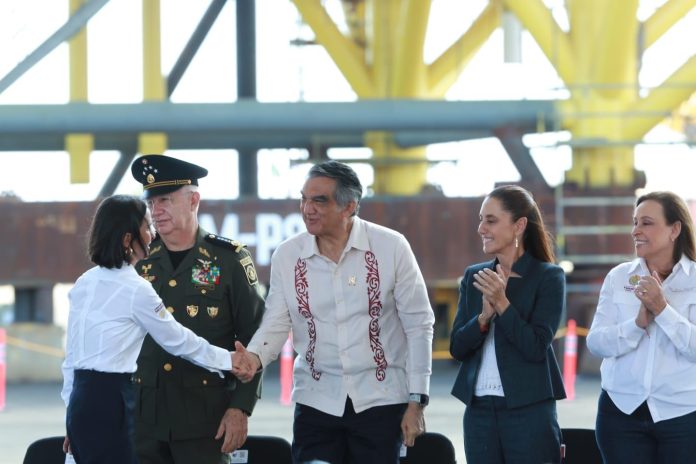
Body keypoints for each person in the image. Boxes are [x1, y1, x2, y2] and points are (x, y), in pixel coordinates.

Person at [232, 160, 435, 464]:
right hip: (316, 401)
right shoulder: (288, 255)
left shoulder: (391, 247)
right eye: (304, 199)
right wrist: (254, 357)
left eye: (320, 200)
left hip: (381, 400)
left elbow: (419, 325)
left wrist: (417, 401)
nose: (307, 209)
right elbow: (276, 322)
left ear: (349, 206)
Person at [61, 195, 238, 464]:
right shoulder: (136, 289)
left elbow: (71, 358)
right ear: (127, 239)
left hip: (81, 400)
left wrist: (71, 415)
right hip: (112, 399)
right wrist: (229, 360)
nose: (153, 233)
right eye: (146, 226)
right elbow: (178, 340)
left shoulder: (84, 282)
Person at [129, 154, 265, 463]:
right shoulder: (138, 261)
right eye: (151, 203)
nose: (156, 211)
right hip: (143, 419)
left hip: (205, 420)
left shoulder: (229, 259)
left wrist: (241, 407)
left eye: (165, 200)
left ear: (194, 200)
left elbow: (255, 336)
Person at [449, 185, 566, 464]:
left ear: (519, 226)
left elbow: (535, 347)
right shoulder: (474, 276)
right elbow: (457, 348)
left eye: (491, 220)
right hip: (478, 411)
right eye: (481, 220)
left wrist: (502, 304)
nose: (481, 228)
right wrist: (482, 318)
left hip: (529, 410)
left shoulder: (548, 277)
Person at [587, 191, 696, 463]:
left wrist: (662, 310)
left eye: (646, 223)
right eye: (635, 222)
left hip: (683, 415)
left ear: (674, 230)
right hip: (620, 414)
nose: (635, 231)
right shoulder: (618, 277)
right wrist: (636, 325)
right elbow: (595, 343)